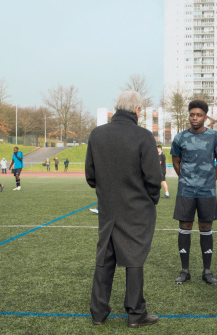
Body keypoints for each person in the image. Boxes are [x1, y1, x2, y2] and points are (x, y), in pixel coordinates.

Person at [85, 90, 160, 328]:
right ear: (137, 110)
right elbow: (153, 178)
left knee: (105, 257)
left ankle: (98, 312)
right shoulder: (143, 136)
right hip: (137, 207)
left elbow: (90, 175)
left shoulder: (97, 134)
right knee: (134, 258)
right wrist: (151, 199)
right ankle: (136, 313)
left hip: (108, 207)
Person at [171, 99, 217, 285]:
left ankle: (207, 271)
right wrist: (186, 178)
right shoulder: (180, 138)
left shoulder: (214, 136)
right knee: (185, 227)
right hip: (186, 190)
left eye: (199, 115)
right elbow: (176, 162)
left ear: (205, 116)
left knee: (205, 228)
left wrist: (210, 179)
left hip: (207, 191)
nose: (195, 118)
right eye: (192, 114)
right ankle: (185, 271)